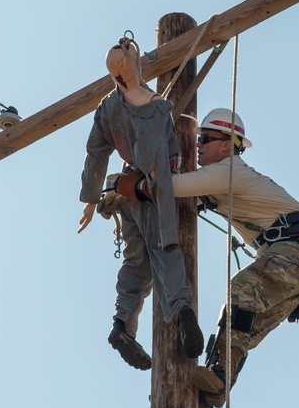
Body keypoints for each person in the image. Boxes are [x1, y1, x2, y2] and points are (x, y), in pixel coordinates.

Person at [124, 107, 299, 408]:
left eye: (206, 139)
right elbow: (178, 198)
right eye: (199, 139)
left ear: (227, 145)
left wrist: (132, 185)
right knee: (242, 324)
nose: (198, 146)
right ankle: (213, 389)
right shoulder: (218, 180)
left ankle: (216, 380)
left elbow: (169, 188)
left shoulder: (228, 171)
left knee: (241, 290)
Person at [78, 36, 204, 371]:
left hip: (124, 192)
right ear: (136, 64)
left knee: (137, 263)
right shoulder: (155, 106)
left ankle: (122, 326)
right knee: (165, 248)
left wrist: (91, 200)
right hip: (147, 189)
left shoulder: (108, 106)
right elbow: (156, 164)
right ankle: (181, 310)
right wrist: (155, 191)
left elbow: (96, 152)